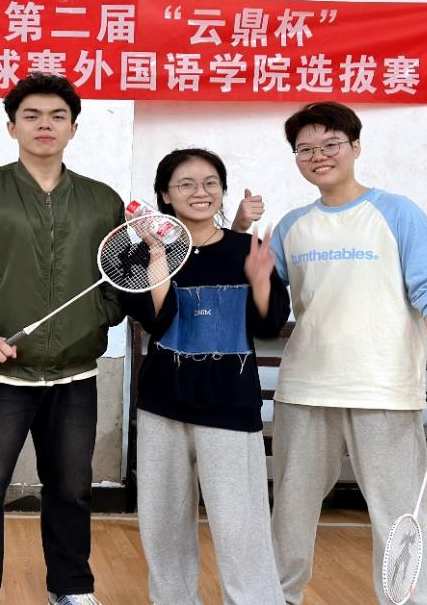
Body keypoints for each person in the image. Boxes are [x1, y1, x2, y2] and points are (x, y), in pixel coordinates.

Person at [0, 72, 123, 605]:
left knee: (71, 489)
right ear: (12, 126)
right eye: (32, 116)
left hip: (75, 374)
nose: (45, 125)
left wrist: (97, 319)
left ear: (73, 128)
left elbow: (116, 277)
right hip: (2, 375)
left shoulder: (102, 200)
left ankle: (72, 588)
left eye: (57, 116)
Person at [268, 102, 427, 604]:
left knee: (399, 514)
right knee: (290, 510)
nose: (319, 156)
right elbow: (264, 305)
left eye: (330, 144)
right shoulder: (291, 226)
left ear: (355, 147)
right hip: (305, 389)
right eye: (305, 149)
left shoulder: (398, 212)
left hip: (383, 390)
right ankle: (278, 596)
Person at [121, 148, 289, 605]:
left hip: (230, 406)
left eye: (211, 182)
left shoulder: (246, 248)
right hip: (162, 404)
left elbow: (270, 324)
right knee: (163, 523)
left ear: (222, 191)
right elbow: (155, 321)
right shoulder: (142, 254)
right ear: (165, 195)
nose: (201, 192)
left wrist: (259, 280)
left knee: (241, 523)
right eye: (186, 184)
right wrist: (158, 256)